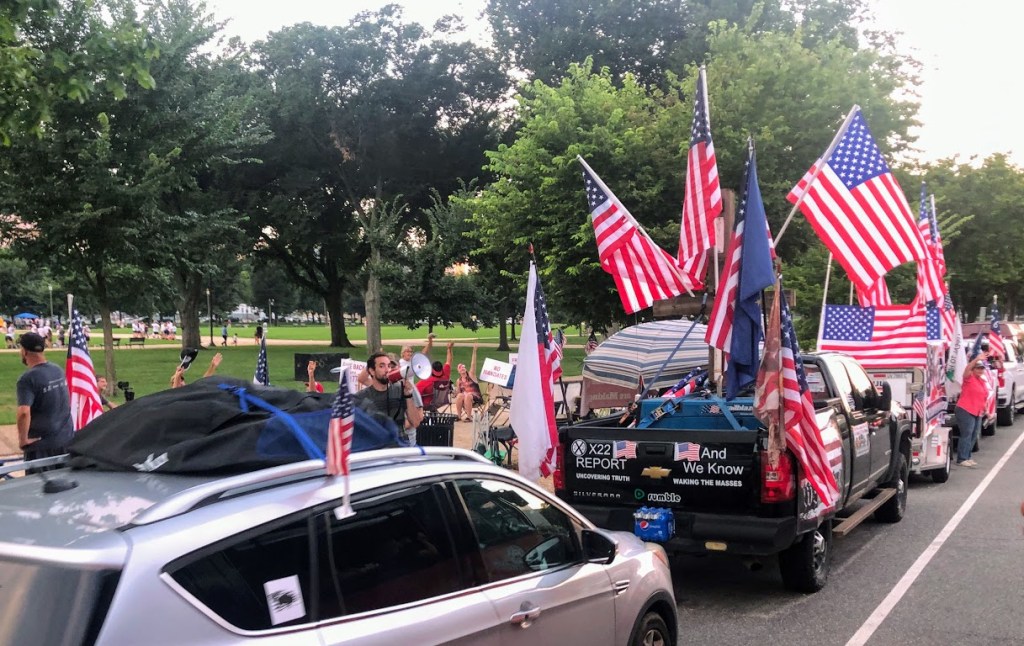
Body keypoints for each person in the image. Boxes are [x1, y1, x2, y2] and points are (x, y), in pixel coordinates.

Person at [15, 332, 74, 469]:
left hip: (41, 446)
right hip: (65, 440)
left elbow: (24, 412)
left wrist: (23, 440)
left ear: (24, 351)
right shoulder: (57, 370)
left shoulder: (27, 379)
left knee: (40, 488)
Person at [353, 352, 423, 439]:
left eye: (389, 366)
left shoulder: (401, 389)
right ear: (372, 371)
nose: (387, 370)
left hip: (399, 446)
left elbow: (416, 422)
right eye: (382, 366)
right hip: (377, 448)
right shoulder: (362, 397)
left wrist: (408, 395)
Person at [955, 351, 990, 467]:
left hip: (977, 411)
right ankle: (962, 458)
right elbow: (967, 368)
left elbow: (983, 397)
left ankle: (968, 456)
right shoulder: (968, 378)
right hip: (965, 409)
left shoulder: (982, 381)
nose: (980, 370)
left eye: (981, 368)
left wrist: (987, 410)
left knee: (974, 434)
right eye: (977, 368)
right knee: (967, 433)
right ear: (973, 369)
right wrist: (976, 359)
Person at [416, 341, 454, 411]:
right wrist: (449, 349)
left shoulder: (426, 381)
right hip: (441, 404)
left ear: (432, 370)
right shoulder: (445, 376)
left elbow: (415, 393)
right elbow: (449, 361)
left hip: (427, 405)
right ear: (441, 369)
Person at [453, 343, 482, 422]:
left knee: (468, 395)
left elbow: (473, 364)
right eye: (460, 368)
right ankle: (459, 416)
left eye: (463, 367)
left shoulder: (471, 375)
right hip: (465, 397)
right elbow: (458, 392)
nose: (462, 368)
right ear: (458, 371)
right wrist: (455, 393)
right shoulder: (458, 380)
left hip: (475, 397)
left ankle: (469, 417)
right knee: (459, 396)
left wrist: (474, 351)